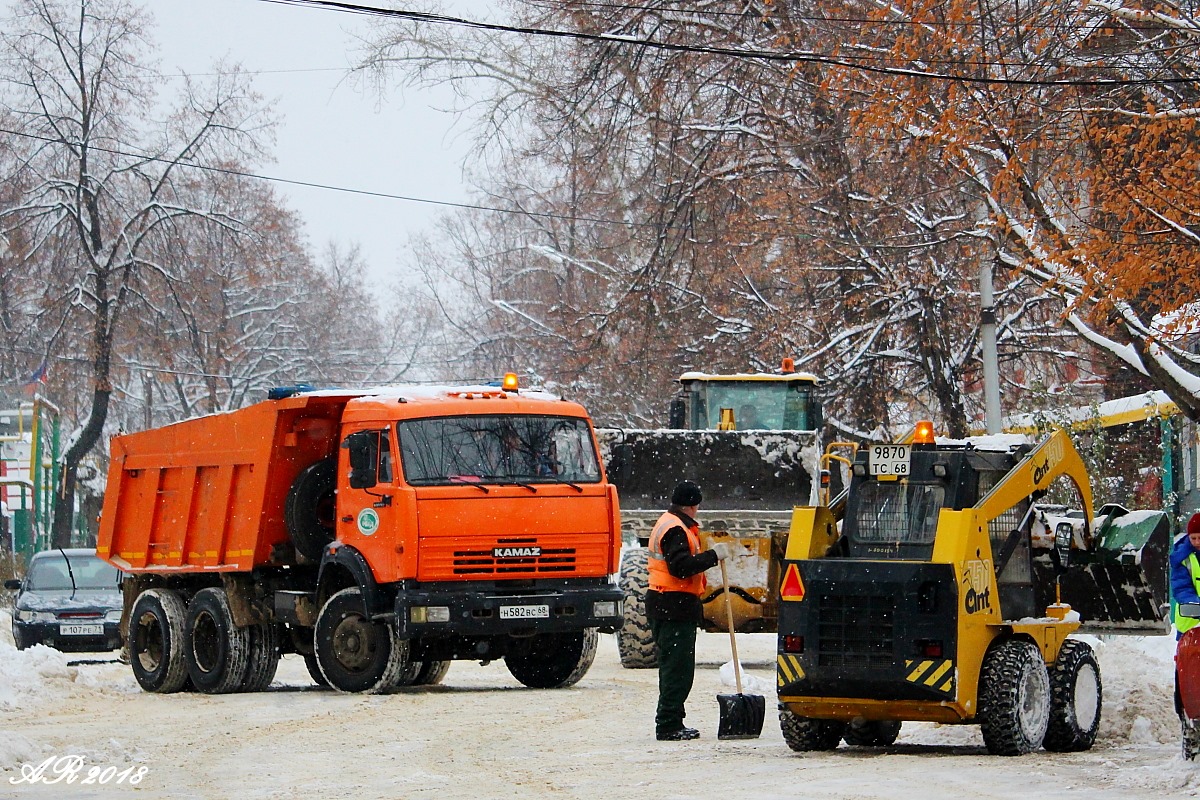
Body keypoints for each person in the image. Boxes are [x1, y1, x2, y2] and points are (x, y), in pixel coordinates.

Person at [646, 480, 734, 741]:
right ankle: (668, 724)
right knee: (677, 669)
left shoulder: (668, 521)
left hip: (665, 603)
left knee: (673, 667)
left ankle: (672, 720)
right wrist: (713, 557)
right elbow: (680, 567)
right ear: (693, 506)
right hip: (673, 606)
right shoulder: (676, 529)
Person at [1171, 512, 1200, 638]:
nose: (1197, 542)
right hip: (1189, 624)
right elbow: (1181, 587)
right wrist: (1195, 606)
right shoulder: (1182, 558)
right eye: (1193, 538)